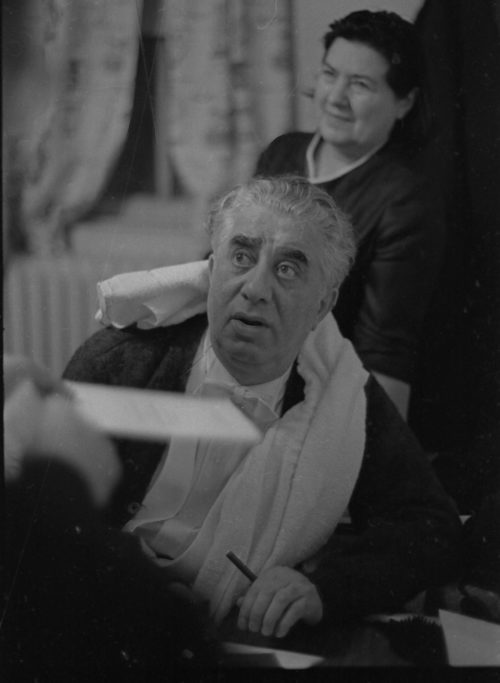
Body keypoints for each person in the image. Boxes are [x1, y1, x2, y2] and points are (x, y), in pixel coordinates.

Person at [63, 176, 461, 639]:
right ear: (213, 271)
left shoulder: (345, 399)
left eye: (288, 270)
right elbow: (41, 512)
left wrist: (322, 587)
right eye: (241, 257)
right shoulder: (119, 362)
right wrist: (134, 589)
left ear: (322, 306)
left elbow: (431, 528)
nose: (255, 288)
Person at [255, 10, 446, 419]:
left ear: (404, 102)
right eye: (329, 74)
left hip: (320, 399)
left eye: (360, 84)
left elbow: (385, 354)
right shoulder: (282, 153)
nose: (335, 97)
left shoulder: (405, 200)